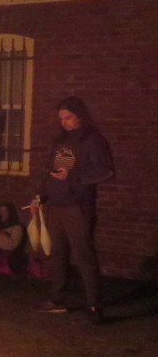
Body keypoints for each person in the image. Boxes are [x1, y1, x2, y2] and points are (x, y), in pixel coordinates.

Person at [34, 96, 114, 324]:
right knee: (58, 255)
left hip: (78, 206)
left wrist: (73, 176)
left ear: (80, 115)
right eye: (61, 119)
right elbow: (50, 171)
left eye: (68, 117)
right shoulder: (60, 141)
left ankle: (94, 307)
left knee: (84, 256)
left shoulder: (93, 140)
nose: (65, 122)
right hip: (57, 205)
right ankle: (57, 299)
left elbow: (105, 171)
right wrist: (41, 195)